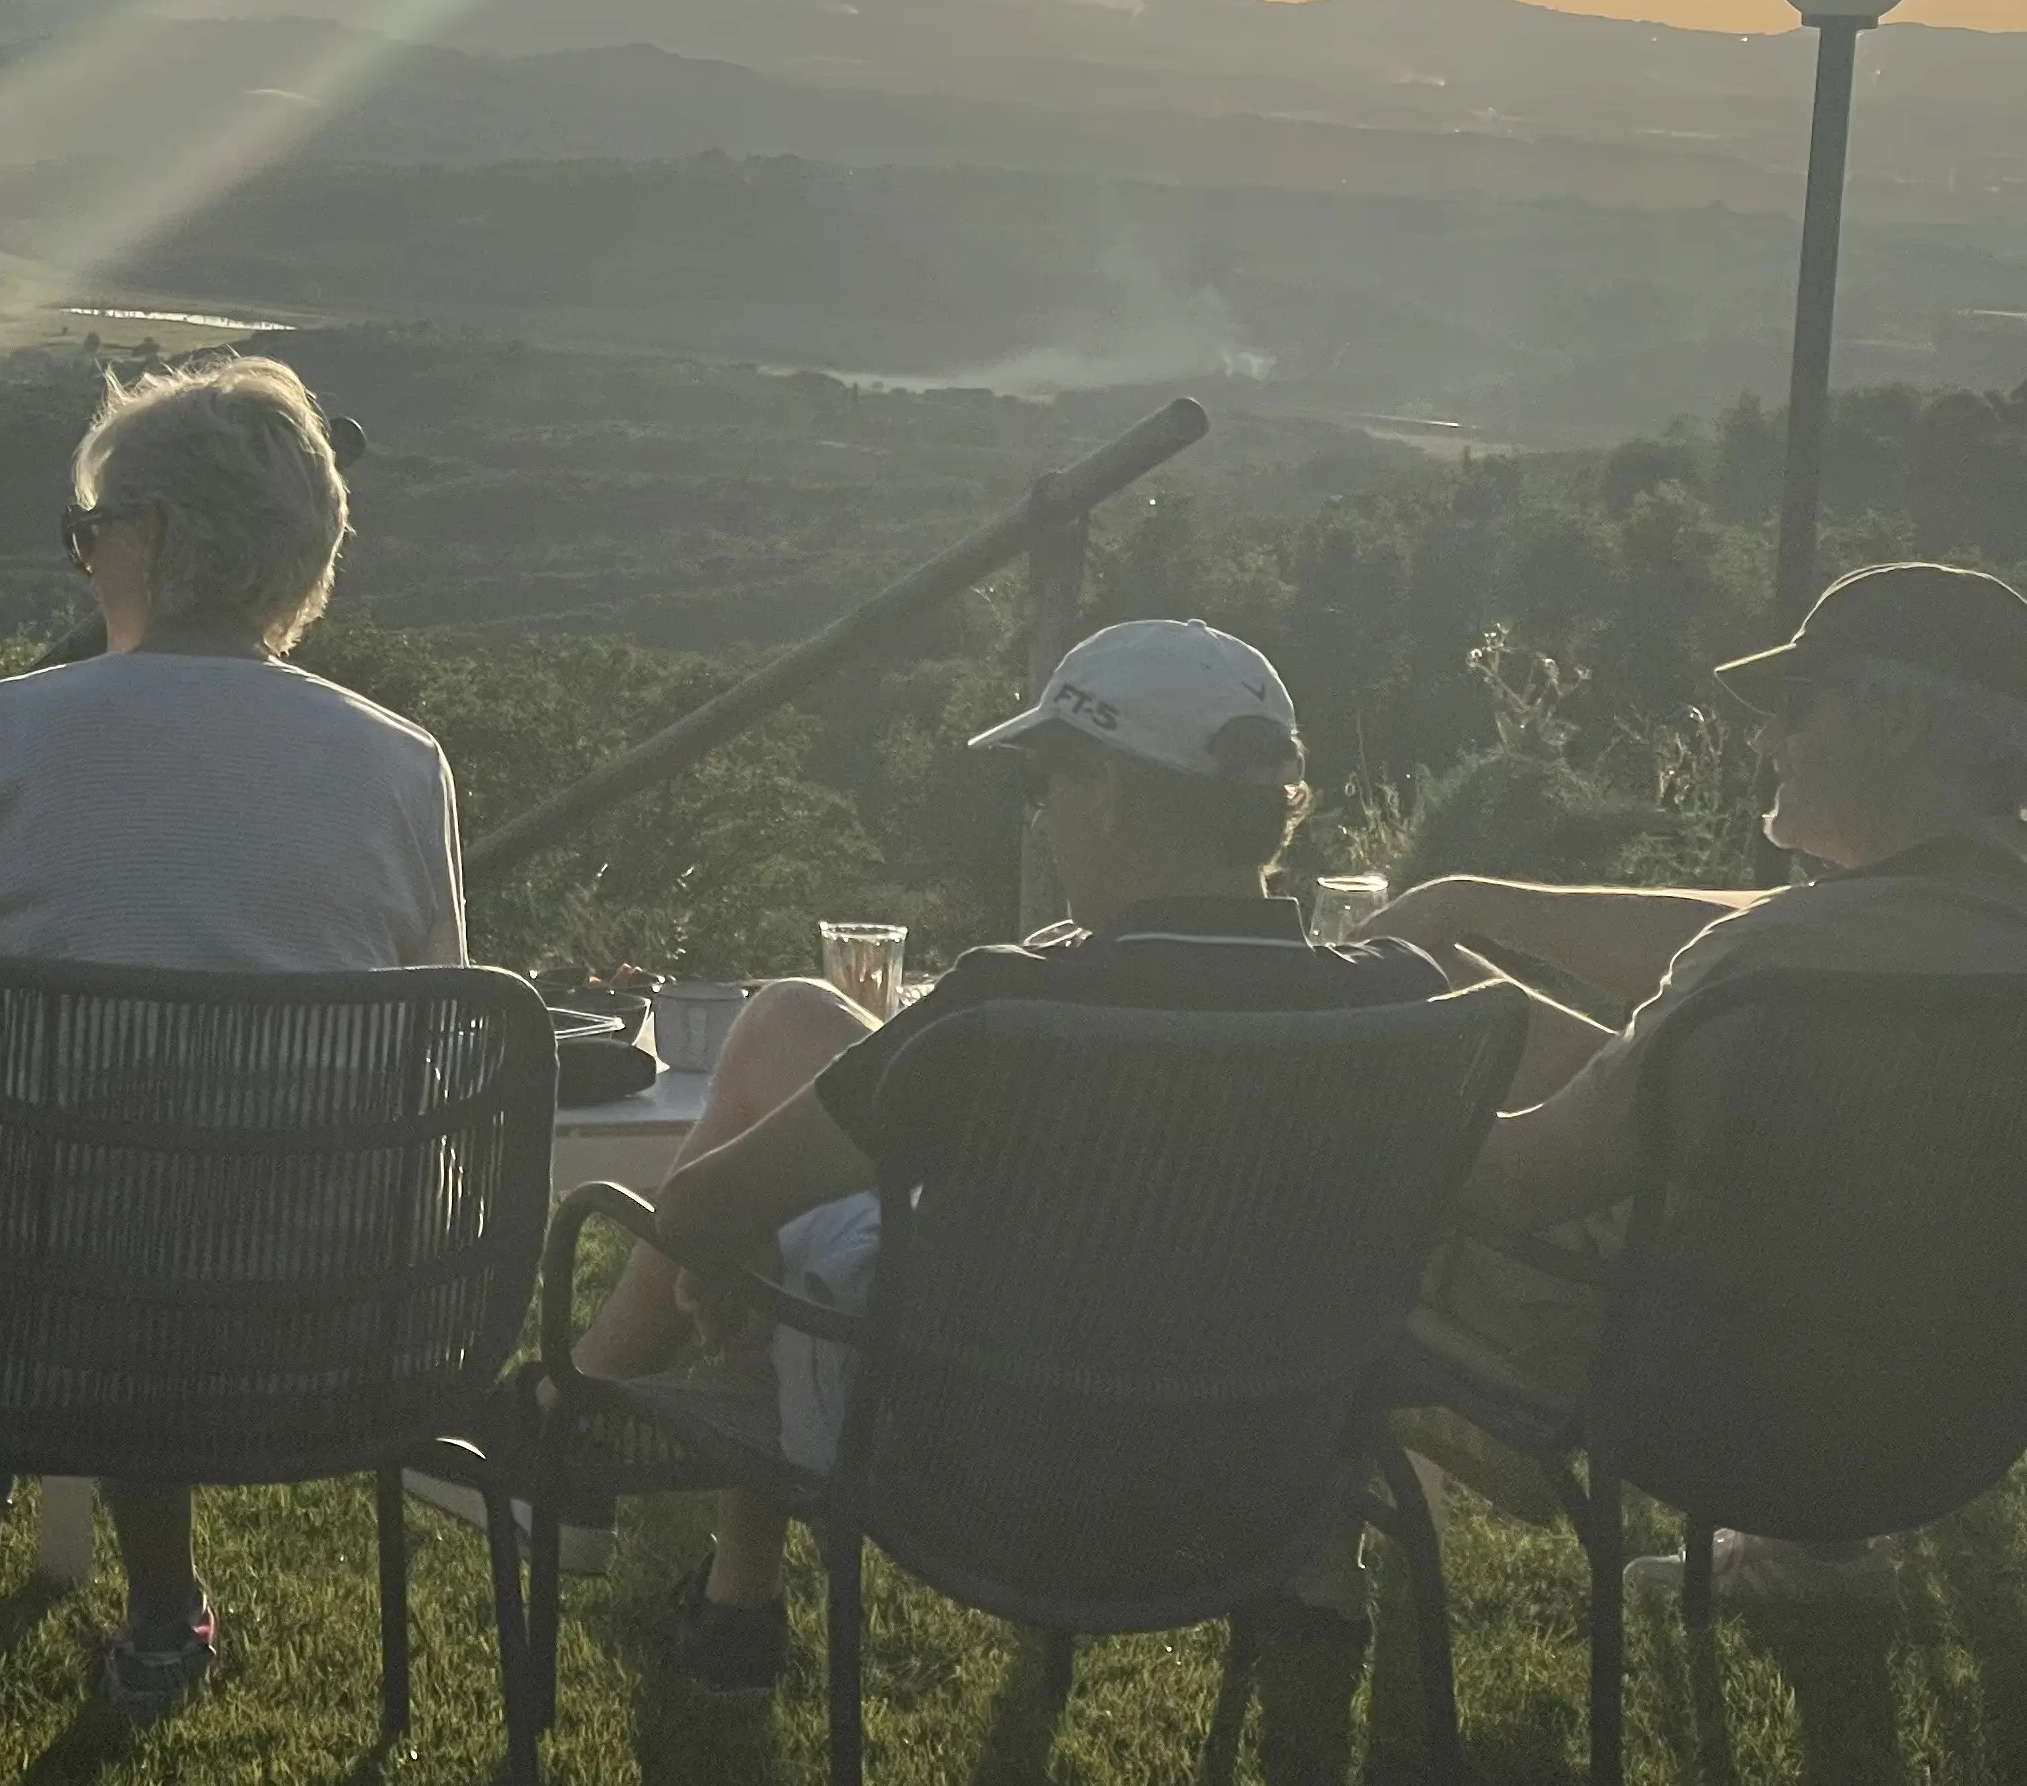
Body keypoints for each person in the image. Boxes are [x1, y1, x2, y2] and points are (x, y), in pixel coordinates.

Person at [547, 621, 1440, 1692]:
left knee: (784, 1045)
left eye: (1045, 786)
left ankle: (607, 1483)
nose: (1042, 819)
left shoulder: (1009, 1012)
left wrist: (722, 1255)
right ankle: (704, 1579)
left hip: (970, 1470)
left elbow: (700, 1211)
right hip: (1254, 1484)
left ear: (1104, 788)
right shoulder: (1396, 1004)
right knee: (796, 1078)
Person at [0, 353, 464, 1726]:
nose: (81, 566)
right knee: (206, 1159)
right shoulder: (401, 764)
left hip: (58, 1311)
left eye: (89, 534)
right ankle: (153, 1611)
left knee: (91, 1146)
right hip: (332, 1327)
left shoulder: (0, 732)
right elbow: (438, 1065)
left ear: (158, 539)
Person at [1369, 560, 2027, 1605]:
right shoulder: (1965, 942)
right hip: (1956, 1422)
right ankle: (1821, 1564)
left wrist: (1337, 1077)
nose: (1768, 742)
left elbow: (1515, 1185)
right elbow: (1751, 939)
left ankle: (1311, 1562)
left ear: (1899, 720)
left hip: (1719, 1418)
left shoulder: (1774, 965)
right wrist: (1473, 911)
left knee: (1351, 1179)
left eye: (1796, 709)